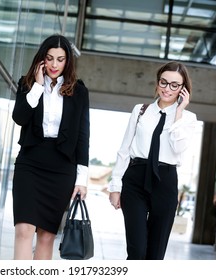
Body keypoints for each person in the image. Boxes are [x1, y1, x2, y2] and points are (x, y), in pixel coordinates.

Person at [108, 61, 197, 260]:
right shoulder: (140, 110)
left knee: (155, 255)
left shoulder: (188, 118)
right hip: (135, 179)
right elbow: (124, 150)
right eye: (164, 82)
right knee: (137, 250)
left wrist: (179, 113)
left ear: (183, 89)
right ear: (157, 83)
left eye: (175, 85)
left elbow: (179, 148)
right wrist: (115, 186)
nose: (168, 88)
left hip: (165, 181)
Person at [12, 34, 90, 260]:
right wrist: (36, 87)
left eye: (60, 59)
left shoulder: (79, 92)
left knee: (46, 236)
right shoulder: (26, 83)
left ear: (68, 62)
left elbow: (83, 136)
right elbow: (20, 117)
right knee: (24, 230)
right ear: (41, 59)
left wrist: (81, 179)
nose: (54, 64)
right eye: (49, 58)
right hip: (30, 163)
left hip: (62, 168)